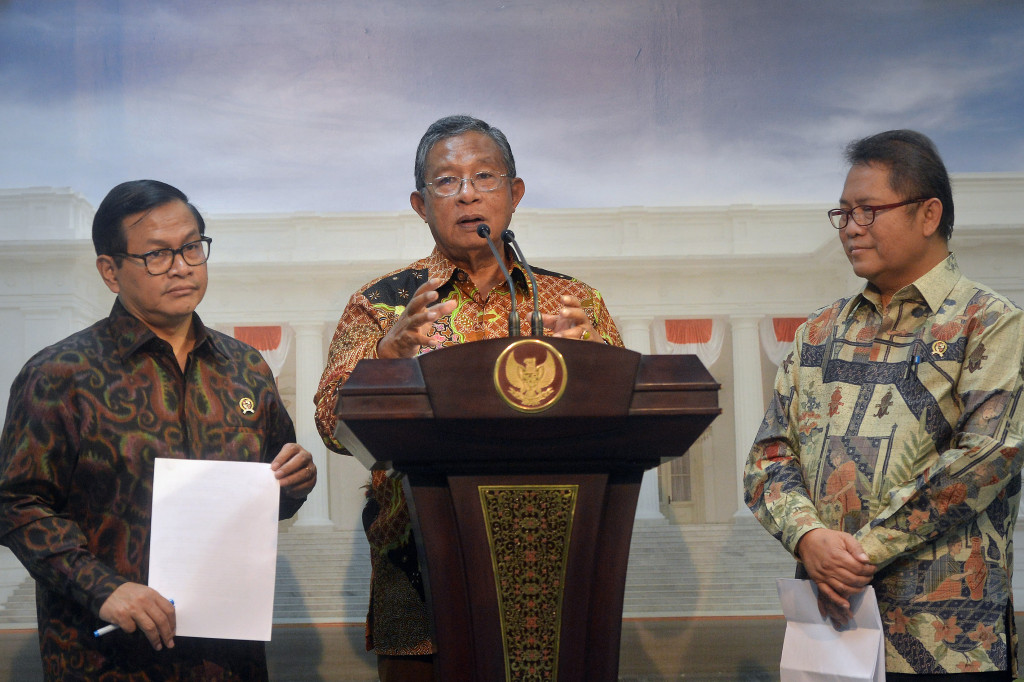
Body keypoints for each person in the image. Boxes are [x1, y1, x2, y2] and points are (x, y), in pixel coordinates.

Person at [314, 114, 623, 681]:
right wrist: (386, 360)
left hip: (551, 564)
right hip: (418, 565)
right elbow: (331, 422)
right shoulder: (383, 304)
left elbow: (628, 419)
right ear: (419, 203)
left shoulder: (574, 301)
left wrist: (593, 364)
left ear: (515, 193)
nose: (468, 194)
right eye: (447, 181)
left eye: (485, 176)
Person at [0, 180, 318, 681]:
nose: (181, 265)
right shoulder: (61, 373)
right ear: (110, 271)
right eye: (156, 254)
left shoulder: (246, 368)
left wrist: (295, 483)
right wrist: (102, 588)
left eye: (192, 246)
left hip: (228, 658)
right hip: (107, 657)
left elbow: (271, 492)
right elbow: (16, 504)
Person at [744, 130, 1024, 679]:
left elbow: (990, 455)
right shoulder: (818, 333)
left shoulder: (988, 323)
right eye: (843, 213)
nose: (851, 228)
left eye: (868, 210)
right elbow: (768, 458)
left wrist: (862, 551)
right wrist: (808, 537)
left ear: (928, 214)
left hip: (948, 642)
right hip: (830, 634)